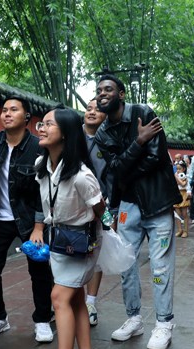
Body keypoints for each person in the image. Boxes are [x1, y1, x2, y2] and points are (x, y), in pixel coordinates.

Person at [94, 74, 181, 349]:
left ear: (121, 94)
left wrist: (126, 167)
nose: (102, 94)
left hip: (157, 202)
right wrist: (138, 143)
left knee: (160, 266)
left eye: (108, 89)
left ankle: (164, 323)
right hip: (128, 205)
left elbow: (156, 157)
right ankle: (134, 318)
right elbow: (115, 168)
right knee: (126, 263)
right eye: (98, 90)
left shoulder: (143, 113)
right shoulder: (102, 133)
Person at [29, 106, 106, 349]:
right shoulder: (42, 165)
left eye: (49, 124)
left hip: (81, 242)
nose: (41, 128)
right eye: (42, 123)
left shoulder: (82, 176)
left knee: (59, 297)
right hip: (59, 239)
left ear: (66, 133)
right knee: (75, 300)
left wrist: (88, 232)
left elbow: (100, 209)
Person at [0, 95, 55, 342]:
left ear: (26, 118)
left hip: (29, 220)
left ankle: (43, 319)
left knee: (39, 270)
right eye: (4, 110)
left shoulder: (38, 147)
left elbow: (44, 191)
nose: (7, 114)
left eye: (13, 110)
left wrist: (39, 226)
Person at [82, 99, 109, 326]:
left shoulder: (110, 140)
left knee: (95, 251)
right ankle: (69, 298)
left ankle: (90, 302)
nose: (91, 112)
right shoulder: (71, 135)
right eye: (88, 108)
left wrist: (109, 201)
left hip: (101, 204)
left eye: (97, 110)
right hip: (73, 204)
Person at [173, 162, 190, 238]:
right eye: (177, 169)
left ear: (184, 169)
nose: (178, 170)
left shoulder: (185, 176)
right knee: (177, 214)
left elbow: (183, 184)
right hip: (176, 194)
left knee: (184, 214)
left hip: (183, 194)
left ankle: (185, 231)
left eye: (179, 169)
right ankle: (180, 230)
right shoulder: (175, 175)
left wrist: (176, 177)